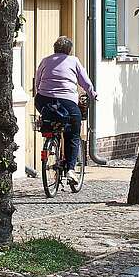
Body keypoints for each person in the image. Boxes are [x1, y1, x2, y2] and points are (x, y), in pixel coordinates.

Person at [34, 36, 96, 184]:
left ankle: (51, 138)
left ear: (55, 48)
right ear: (69, 50)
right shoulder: (74, 61)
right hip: (67, 102)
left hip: (43, 100)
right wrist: (93, 94)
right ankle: (70, 170)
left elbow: (37, 80)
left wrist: (42, 94)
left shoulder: (45, 60)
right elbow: (84, 81)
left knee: (49, 121)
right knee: (73, 135)